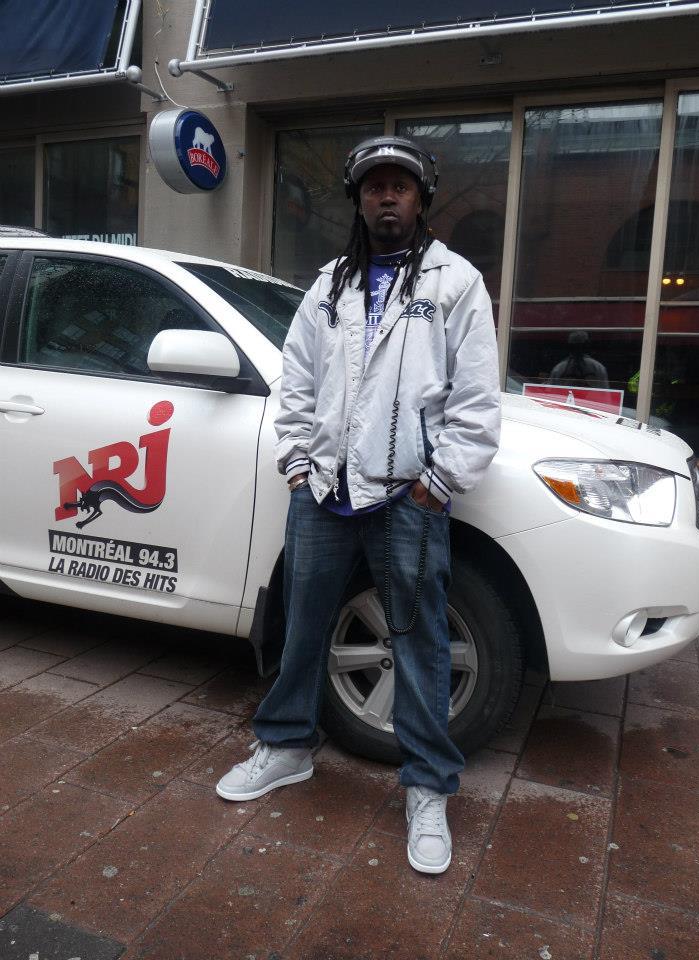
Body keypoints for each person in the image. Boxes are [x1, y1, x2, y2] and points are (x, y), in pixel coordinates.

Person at [216, 136, 501, 875]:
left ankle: (428, 787)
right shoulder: (330, 285)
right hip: (324, 491)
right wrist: (296, 462)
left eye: (399, 186)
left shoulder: (455, 283)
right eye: (374, 186)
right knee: (302, 624)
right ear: (359, 199)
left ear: (421, 198)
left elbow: (476, 399)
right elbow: (296, 384)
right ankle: (286, 746)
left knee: (419, 641)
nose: (387, 197)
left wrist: (438, 481)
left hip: (407, 495)